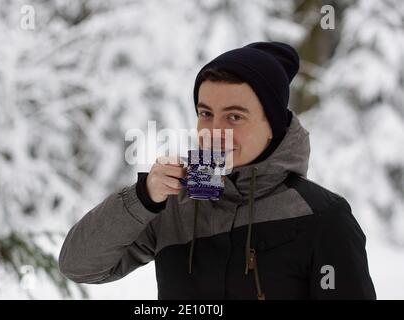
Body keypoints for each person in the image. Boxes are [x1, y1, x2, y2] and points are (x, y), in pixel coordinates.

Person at [58, 41, 376, 299]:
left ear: (273, 125)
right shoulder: (174, 204)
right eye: (206, 113)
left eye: (234, 116)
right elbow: (79, 266)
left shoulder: (323, 217)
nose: (214, 131)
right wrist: (142, 198)